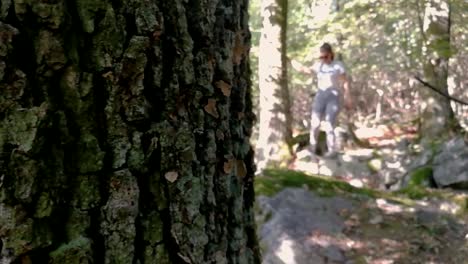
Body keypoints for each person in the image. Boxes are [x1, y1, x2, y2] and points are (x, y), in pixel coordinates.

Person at [308, 43, 351, 158]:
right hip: (320, 95)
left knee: (329, 124)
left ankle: (331, 150)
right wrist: (292, 62)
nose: (323, 59)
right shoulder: (318, 66)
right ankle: (312, 148)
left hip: (334, 96)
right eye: (321, 57)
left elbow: (345, 81)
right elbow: (307, 71)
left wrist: (347, 96)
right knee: (315, 123)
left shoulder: (338, 65)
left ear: (331, 55)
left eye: (325, 57)